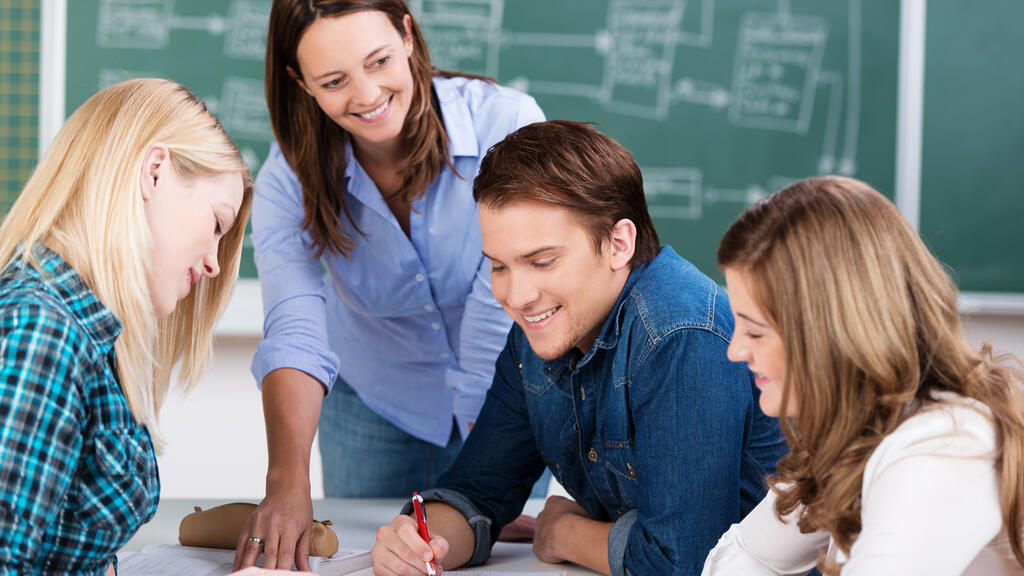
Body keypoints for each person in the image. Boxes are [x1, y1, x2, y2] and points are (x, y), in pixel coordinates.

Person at [371, 120, 788, 576]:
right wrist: (421, 541)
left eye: (543, 261)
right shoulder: (541, 327)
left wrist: (564, 534)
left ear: (618, 244)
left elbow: (683, 562)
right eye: (498, 267)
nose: (518, 295)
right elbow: (478, 491)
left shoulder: (680, 334)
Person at [236, 0, 547, 570]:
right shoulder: (288, 180)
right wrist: (286, 483)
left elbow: (502, 302)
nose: (366, 94)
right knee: (360, 558)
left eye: (378, 61)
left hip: (505, 398)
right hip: (374, 407)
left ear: (407, 34)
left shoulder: (506, 121)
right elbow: (295, 323)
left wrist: (489, 475)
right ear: (299, 83)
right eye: (333, 80)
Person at [702, 175, 1024, 575]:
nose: (735, 350)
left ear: (830, 333)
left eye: (755, 331)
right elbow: (748, 556)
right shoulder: (857, 425)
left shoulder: (945, 446)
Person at [0, 79, 251, 574]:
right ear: (154, 172)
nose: (214, 263)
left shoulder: (85, 330)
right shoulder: (43, 331)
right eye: (217, 225)